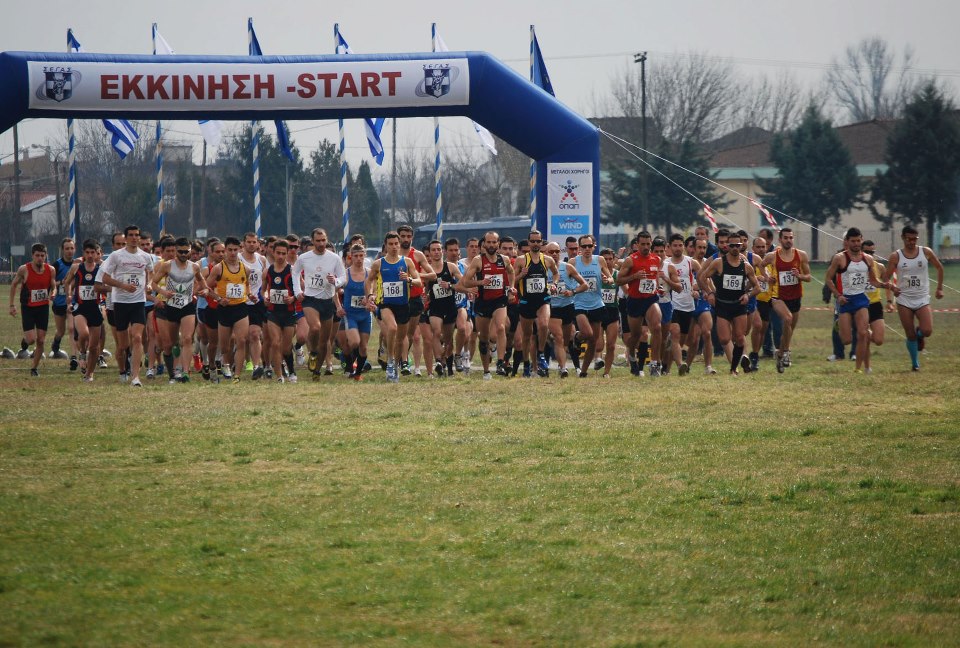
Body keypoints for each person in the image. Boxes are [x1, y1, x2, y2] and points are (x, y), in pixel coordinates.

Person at [825, 227, 890, 374]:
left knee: (862, 333)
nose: (856, 244)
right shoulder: (840, 258)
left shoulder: (868, 259)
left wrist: (886, 285)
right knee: (846, 340)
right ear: (847, 242)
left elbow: (873, 281)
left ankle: (859, 368)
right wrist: (838, 295)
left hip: (861, 299)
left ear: (861, 240)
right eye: (853, 241)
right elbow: (828, 279)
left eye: (858, 241)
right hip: (845, 300)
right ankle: (840, 324)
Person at [97, 225, 155, 386]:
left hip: (138, 302)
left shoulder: (145, 256)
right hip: (120, 302)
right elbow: (105, 278)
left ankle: (135, 377)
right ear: (126, 237)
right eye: (131, 235)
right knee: (123, 345)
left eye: (137, 235)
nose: (134, 238)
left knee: (137, 338)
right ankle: (123, 370)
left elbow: (150, 272)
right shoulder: (116, 256)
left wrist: (149, 284)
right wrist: (122, 285)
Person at [881, 225, 945, 371]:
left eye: (914, 239)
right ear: (903, 238)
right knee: (910, 335)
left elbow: (939, 267)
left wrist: (939, 288)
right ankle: (915, 364)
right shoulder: (896, 256)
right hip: (904, 300)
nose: (912, 242)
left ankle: (920, 334)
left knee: (927, 330)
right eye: (909, 239)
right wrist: (893, 288)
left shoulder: (925, 252)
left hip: (922, 298)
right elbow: (885, 278)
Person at [699, 231, 761, 374]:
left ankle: (733, 369)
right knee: (724, 338)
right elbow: (702, 278)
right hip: (722, 304)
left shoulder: (746, 266)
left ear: (741, 245)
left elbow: (757, 287)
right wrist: (710, 293)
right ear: (727, 246)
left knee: (740, 337)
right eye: (731, 245)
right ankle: (736, 363)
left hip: (738, 305)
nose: (734, 248)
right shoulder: (719, 263)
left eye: (737, 245)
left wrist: (747, 295)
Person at [364, 231, 422, 383]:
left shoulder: (407, 262)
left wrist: (409, 279)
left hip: (403, 304)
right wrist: (370, 295)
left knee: (401, 340)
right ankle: (390, 360)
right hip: (385, 304)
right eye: (391, 244)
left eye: (396, 243)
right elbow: (369, 281)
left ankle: (395, 366)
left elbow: (419, 282)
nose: (394, 246)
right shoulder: (379, 264)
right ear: (386, 246)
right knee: (392, 328)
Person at [460, 231, 517, 379]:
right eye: (489, 242)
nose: (491, 245)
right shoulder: (478, 260)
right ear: (484, 244)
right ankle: (486, 371)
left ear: (498, 244)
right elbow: (466, 282)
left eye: (494, 242)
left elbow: (511, 272)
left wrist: (511, 287)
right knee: (483, 339)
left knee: (501, 327)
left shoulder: (504, 259)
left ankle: (500, 362)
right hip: (483, 302)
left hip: (499, 300)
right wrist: (480, 282)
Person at [291, 228, 346, 380]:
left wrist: (335, 281)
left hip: (327, 301)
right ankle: (313, 352)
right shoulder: (304, 258)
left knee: (325, 341)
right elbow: (295, 273)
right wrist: (297, 292)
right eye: (318, 241)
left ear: (326, 240)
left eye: (323, 240)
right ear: (313, 241)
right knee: (315, 327)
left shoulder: (334, 258)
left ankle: (316, 371)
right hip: (310, 299)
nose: (321, 243)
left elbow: (343, 277)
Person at [152, 237, 208, 383]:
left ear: (190, 250)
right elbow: (153, 284)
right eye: (180, 252)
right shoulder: (167, 266)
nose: (183, 254)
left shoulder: (194, 267)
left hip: (187, 306)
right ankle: (173, 372)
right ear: (176, 251)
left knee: (187, 338)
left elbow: (202, 282)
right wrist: (163, 292)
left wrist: (203, 290)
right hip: (171, 306)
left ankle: (185, 372)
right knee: (172, 343)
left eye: (186, 251)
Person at [760, 227, 811, 373]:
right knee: (788, 319)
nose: (788, 240)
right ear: (780, 240)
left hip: (795, 297)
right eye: (786, 238)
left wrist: (799, 276)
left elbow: (808, 277)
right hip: (778, 297)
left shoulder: (801, 255)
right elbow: (761, 265)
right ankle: (787, 352)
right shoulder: (772, 256)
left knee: (788, 331)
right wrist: (767, 278)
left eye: (791, 238)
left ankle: (780, 354)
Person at [616, 231, 666, 377]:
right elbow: (618, 280)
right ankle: (632, 355)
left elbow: (654, 278)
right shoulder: (630, 260)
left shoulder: (657, 259)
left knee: (657, 327)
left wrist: (658, 287)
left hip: (651, 299)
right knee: (636, 335)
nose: (645, 247)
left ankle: (655, 364)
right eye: (642, 244)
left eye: (648, 244)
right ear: (637, 244)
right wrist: (634, 276)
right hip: (635, 301)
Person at [206, 236, 254, 383]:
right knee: (225, 347)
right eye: (230, 250)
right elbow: (206, 288)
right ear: (225, 250)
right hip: (224, 309)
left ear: (240, 249)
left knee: (241, 341)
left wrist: (250, 295)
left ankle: (237, 375)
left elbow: (246, 286)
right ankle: (216, 364)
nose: (233, 253)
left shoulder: (245, 268)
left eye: (235, 250)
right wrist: (219, 299)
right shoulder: (218, 268)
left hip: (240, 308)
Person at [8, 243, 57, 376]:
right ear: (32, 256)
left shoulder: (51, 270)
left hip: (43, 308)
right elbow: (14, 285)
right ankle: (25, 341)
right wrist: (12, 305)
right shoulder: (24, 269)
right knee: (31, 340)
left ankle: (34, 368)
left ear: (45, 256)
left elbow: (54, 286)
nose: (40, 258)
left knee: (41, 340)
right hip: (28, 308)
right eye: (37, 255)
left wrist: (53, 293)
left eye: (42, 255)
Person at [514, 229, 557, 377]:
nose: (535, 244)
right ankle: (526, 364)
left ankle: (541, 354)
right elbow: (512, 281)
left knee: (544, 325)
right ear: (528, 242)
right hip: (526, 301)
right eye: (533, 241)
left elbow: (555, 273)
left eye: (538, 241)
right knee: (527, 336)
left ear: (541, 242)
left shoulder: (548, 260)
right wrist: (521, 275)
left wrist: (554, 284)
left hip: (543, 299)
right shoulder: (521, 260)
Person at [61, 239, 104, 381]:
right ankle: (82, 353)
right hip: (80, 307)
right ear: (83, 253)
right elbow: (67, 282)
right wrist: (68, 295)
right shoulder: (76, 267)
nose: (90, 255)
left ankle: (89, 374)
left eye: (93, 252)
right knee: (84, 333)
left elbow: (107, 283)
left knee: (94, 347)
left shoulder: (101, 268)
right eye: (87, 252)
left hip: (95, 308)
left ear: (97, 253)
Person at [571, 234, 614, 378]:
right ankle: (577, 337)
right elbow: (567, 279)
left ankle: (583, 371)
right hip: (579, 303)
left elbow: (610, 277)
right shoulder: (573, 262)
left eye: (589, 246)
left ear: (594, 247)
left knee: (593, 341)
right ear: (579, 248)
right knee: (587, 333)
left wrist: (608, 280)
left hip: (596, 303)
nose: (587, 249)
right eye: (584, 246)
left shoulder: (599, 260)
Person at [424, 239, 467, 377]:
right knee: (436, 332)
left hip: (450, 307)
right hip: (435, 308)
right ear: (430, 253)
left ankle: (446, 364)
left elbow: (463, 283)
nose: (436, 252)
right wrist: (424, 296)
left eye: (438, 249)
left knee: (448, 341)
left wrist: (450, 285)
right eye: (433, 250)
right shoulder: (427, 269)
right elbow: (424, 288)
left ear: (442, 251)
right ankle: (438, 361)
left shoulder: (451, 267)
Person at [263, 239, 299, 383]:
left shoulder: (293, 270)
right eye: (278, 253)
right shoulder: (268, 271)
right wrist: (265, 298)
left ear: (287, 253)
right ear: (273, 252)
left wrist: (293, 298)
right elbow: (263, 290)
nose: (280, 256)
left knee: (286, 347)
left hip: (289, 313)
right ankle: (279, 376)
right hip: (273, 312)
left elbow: (302, 289)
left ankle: (291, 371)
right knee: (275, 343)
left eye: (283, 253)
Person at [666, 233, 701, 376]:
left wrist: (697, 289)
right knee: (675, 334)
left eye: (680, 245)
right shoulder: (666, 264)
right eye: (675, 245)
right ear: (669, 247)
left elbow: (703, 278)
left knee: (680, 342)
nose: (678, 248)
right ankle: (680, 365)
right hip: (672, 305)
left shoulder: (691, 262)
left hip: (688, 305)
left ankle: (666, 368)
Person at [240, 231, 269, 380]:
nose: (252, 245)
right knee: (239, 338)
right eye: (249, 242)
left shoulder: (262, 260)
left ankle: (256, 367)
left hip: (256, 302)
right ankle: (227, 364)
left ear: (258, 244)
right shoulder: (237, 259)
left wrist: (265, 294)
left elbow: (267, 279)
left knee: (255, 334)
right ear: (243, 243)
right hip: (239, 302)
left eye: (254, 242)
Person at [50, 237, 77, 365]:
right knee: (61, 331)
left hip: (71, 302)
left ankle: (74, 356)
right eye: (67, 249)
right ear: (62, 250)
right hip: (59, 303)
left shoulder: (77, 264)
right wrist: (62, 282)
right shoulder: (57, 265)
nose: (69, 251)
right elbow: (50, 283)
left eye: (72, 248)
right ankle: (55, 345)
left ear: (75, 249)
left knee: (72, 329)